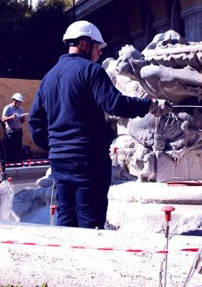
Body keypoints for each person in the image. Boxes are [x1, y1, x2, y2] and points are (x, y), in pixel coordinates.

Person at [30, 21, 171, 229]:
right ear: (85, 44)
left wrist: (55, 146)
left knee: (66, 218)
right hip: (87, 159)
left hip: (59, 161)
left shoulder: (49, 77)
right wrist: (147, 105)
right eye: (97, 48)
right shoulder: (91, 71)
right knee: (90, 219)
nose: (99, 54)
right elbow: (115, 104)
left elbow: (35, 122)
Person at [1, 93, 27, 163]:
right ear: (13, 100)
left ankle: (17, 161)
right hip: (11, 131)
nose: (19, 103)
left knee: (18, 148)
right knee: (10, 148)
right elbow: (3, 119)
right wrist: (12, 117)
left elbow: (22, 122)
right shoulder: (8, 108)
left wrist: (22, 118)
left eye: (20, 102)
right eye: (18, 102)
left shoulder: (20, 109)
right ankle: (9, 162)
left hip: (18, 131)